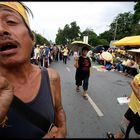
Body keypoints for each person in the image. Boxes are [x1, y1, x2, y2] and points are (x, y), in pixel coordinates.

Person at [0, 2, 67, 138]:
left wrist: (62, 131)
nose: (1, 29)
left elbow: (59, 110)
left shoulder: (51, 77)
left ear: (32, 39)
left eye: (11, 21)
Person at [107, 52, 140, 139]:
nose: (135, 57)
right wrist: (131, 96)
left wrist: (132, 84)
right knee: (125, 123)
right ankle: (117, 137)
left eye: (137, 55)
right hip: (133, 107)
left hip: (137, 111)